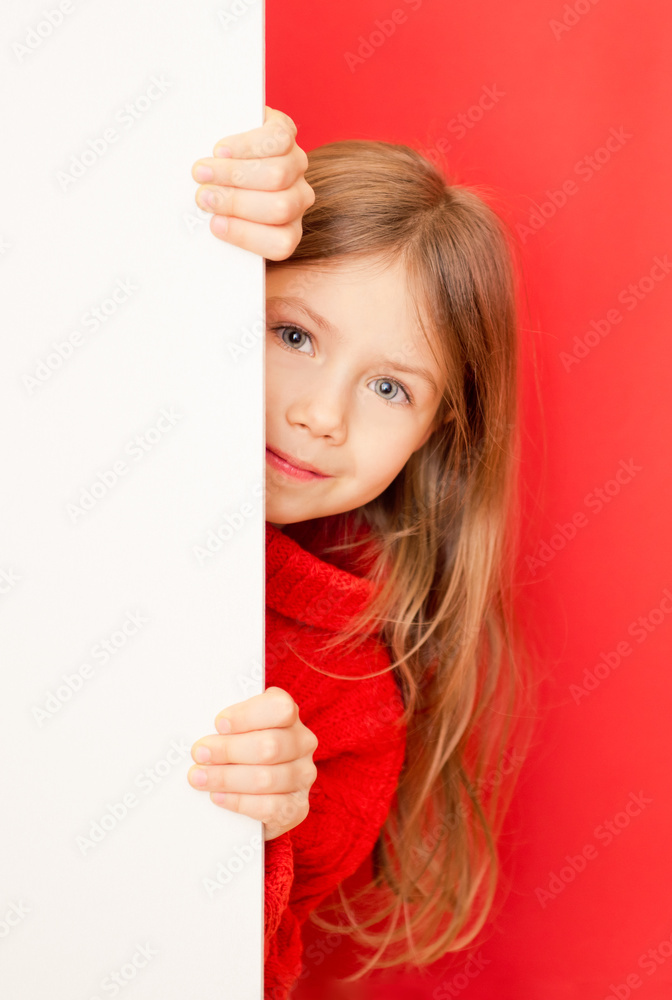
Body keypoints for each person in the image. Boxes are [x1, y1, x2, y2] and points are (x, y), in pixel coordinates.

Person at [186, 108, 535, 997]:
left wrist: (266, 831)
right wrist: (202, 181)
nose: (320, 414)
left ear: (434, 436)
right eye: (293, 335)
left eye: (387, 387)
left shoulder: (353, 709)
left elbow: (242, 972)